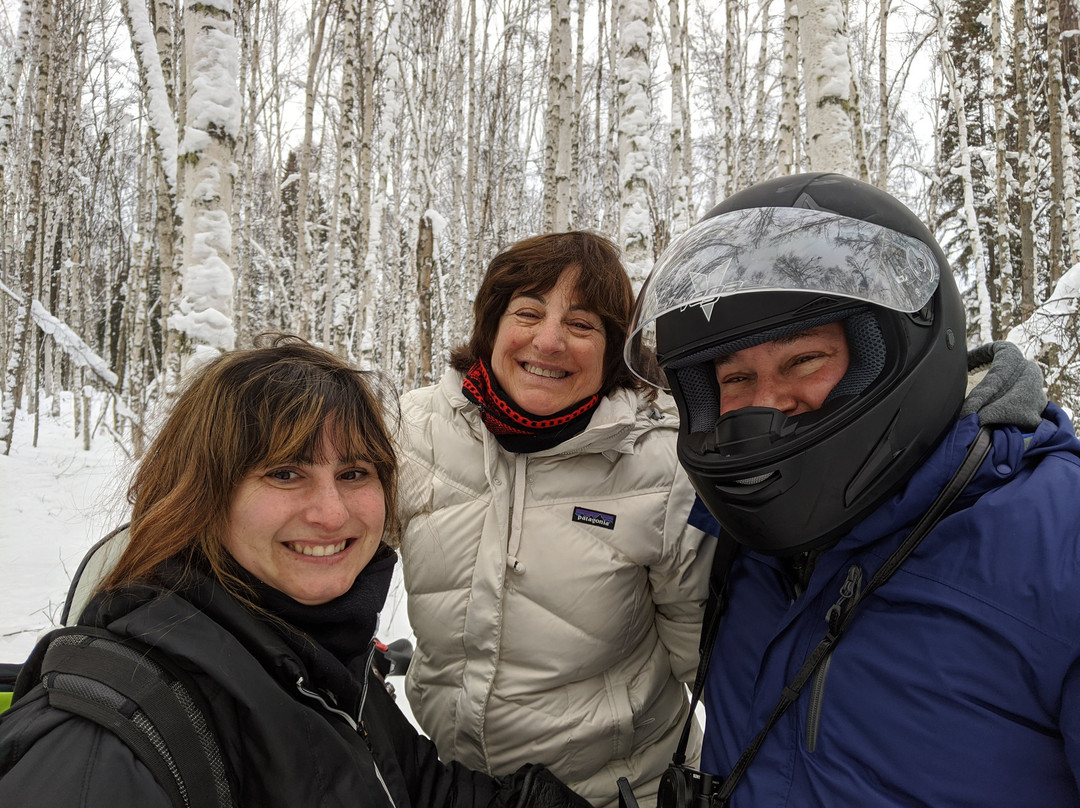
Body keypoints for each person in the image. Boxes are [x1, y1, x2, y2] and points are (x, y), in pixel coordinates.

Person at [625, 173, 1080, 806]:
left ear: (894, 347)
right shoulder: (743, 548)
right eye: (732, 379)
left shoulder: (1058, 538)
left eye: (804, 360)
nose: (766, 406)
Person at [0, 337, 591, 808]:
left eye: (356, 472)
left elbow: (414, 788)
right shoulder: (114, 738)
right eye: (285, 473)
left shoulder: (319, 662)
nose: (332, 513)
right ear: (201, 495)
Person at [397, 231, 715, 808]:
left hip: (619, 791)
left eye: (581, 324)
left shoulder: (659, 469)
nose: (548, 341)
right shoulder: (418, 431)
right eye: (528, 312)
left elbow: (712, 663)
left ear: (614, 348)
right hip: (453, 785)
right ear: (491, 326)